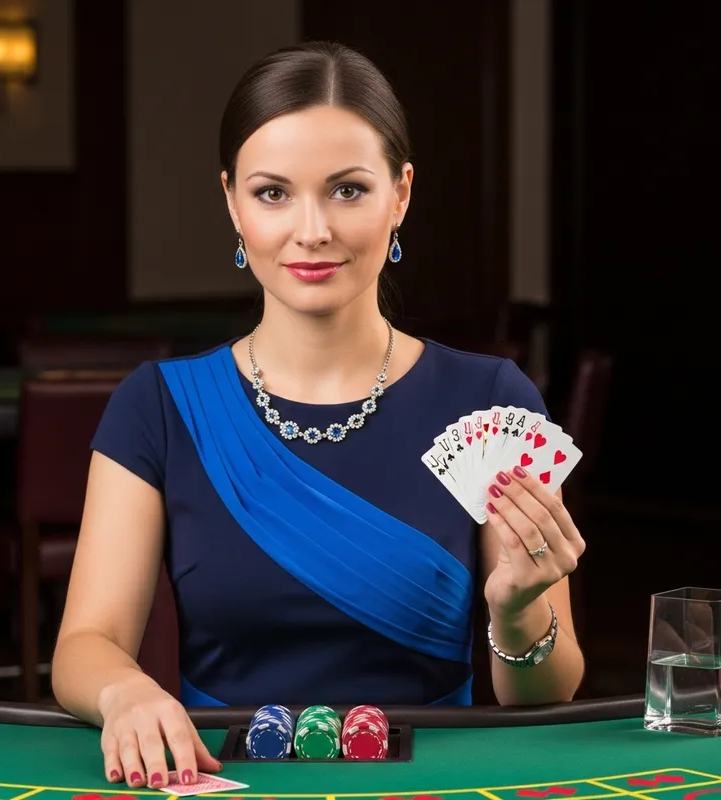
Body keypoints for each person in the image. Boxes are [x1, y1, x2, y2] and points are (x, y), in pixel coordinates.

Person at [51, 40, 586, 790]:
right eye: (273, 193)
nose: (312, 230)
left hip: (430, 782)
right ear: (231, 201)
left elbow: (545, 692)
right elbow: (86, 641)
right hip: (223, 779)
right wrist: (127, 690)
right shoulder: (157, 405)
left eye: (347, 190)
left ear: (400, 195)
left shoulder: (492, 400)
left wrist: (520, 611)